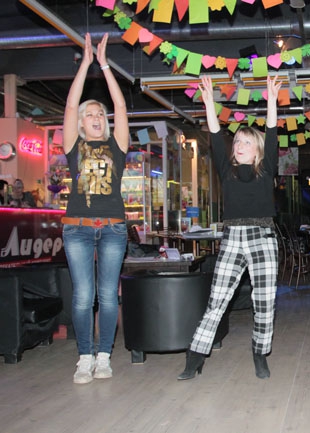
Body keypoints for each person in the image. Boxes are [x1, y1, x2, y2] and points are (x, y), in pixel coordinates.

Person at [178, 74, 281, 380]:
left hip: (263, 237)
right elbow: (214, 133)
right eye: (237, 141)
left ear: (257, 149)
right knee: (217, 300)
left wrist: (272, 101)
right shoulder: (226, 170)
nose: (239, 145)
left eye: (247, 141)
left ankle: (260, 353)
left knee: (264, 301)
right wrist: (209, 101)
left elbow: (272, 131)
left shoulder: (267, 169)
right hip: (233, 238)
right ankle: (195, 356)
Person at [61, 33, 129, 384]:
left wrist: (104, 66)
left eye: (100, 113)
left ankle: (104, 357)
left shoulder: (118, 147)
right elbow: (70, 106)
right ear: (82, 123)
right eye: (90, 115)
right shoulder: (73, 146)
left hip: (114, 228)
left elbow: (121, 107)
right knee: (83, 296)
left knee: (108, 296)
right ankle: (84, 357)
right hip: (77, 229)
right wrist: (85, 63)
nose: (96, 117)